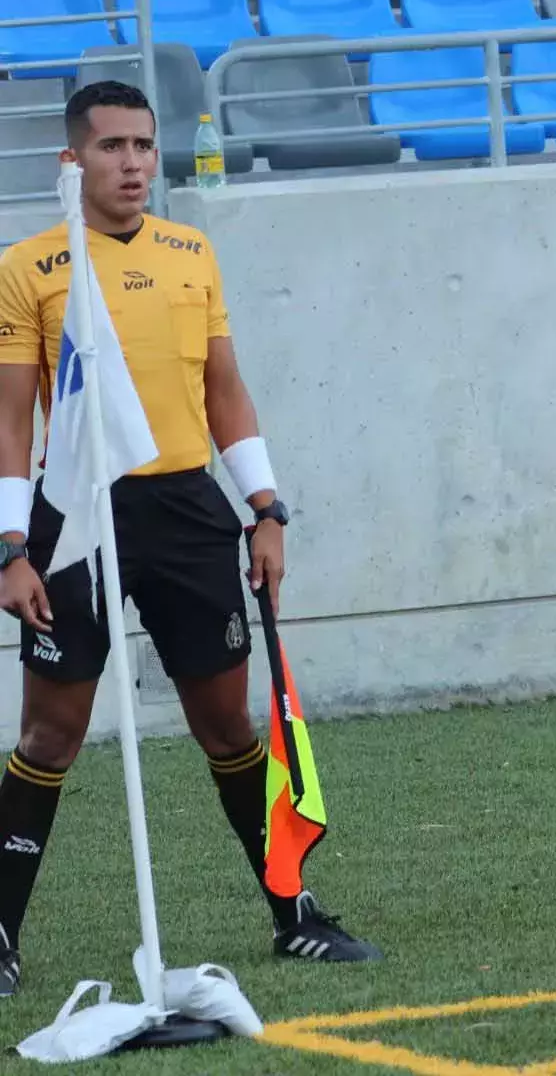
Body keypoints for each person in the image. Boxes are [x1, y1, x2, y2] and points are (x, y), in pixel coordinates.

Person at [0, 81, 380, 996]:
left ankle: (294, 914)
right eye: (111, 147)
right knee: (52, 733)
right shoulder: (31, 267)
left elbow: (224, 390)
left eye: (143, 144)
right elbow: (12, 421)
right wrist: (11, 547)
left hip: (186, 512)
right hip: (75, 513)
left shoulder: (191, 253)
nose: (132, 162)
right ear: (73, 161)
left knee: (224, 724)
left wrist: (266, 507)